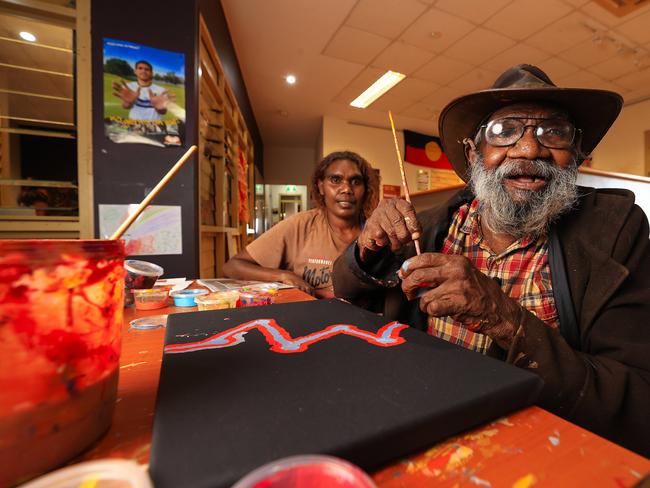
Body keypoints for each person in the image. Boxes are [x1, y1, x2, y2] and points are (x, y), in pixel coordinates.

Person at [332, 64, 650, 456]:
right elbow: (345, 288)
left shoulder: (614, 232)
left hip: (544, 452)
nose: (530, 149)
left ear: (577, 153)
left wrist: (502, 316)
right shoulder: (430, 227)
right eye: (504, 131)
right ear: (474, 153)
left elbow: (637, 403)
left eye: (554, 131)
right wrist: (366, 247)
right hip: (423, 431)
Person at [223, 151, 379, 298]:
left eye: (356, 181)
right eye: (335, 180)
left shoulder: (377, 232)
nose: (346, 189)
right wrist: (284, 276)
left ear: (365, 189)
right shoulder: (300, 225)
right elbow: (233, 266)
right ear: (320, 187)